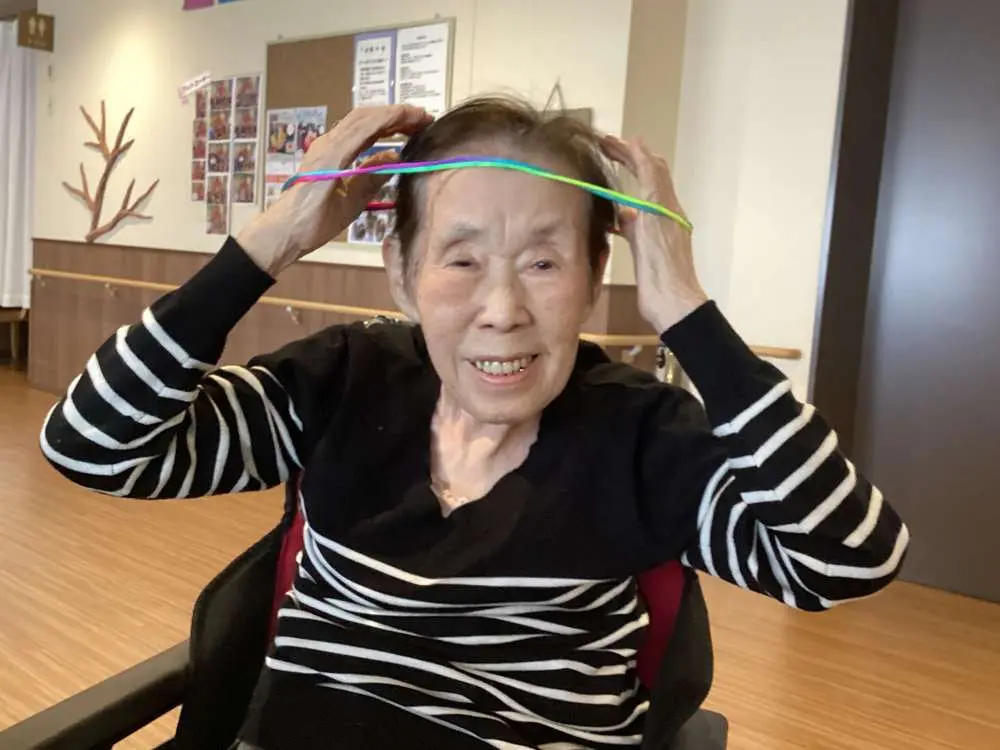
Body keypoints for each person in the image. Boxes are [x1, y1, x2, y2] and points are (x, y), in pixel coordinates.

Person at [40, 97, 909, 750]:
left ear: (595, 276)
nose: (502, 309)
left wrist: (683, 307)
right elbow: (94, 446)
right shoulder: (344, 379)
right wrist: (272, 238)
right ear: (402, 274)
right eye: (460, 260)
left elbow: (843, 561)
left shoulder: (644, 437)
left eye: (543, 263)